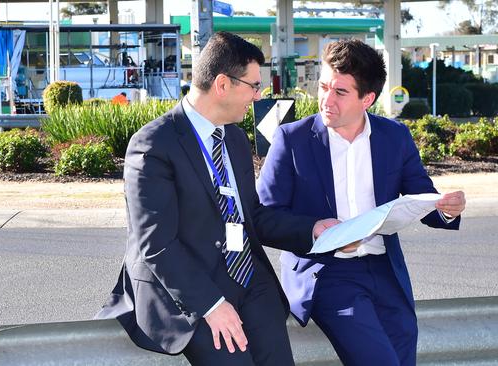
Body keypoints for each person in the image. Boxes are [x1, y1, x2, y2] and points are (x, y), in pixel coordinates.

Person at [96, 31, 338, 366]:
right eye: (254, 86)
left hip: (245, 276)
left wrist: (311, 229)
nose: (259, 95)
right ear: (222, 84)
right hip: (183, 288)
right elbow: (156, 244)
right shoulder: (153, 145)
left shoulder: (235, 139)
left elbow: (251, 215)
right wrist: (211, 304)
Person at [257, 39, 466, 366]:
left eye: (340, 92)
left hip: (385, 271)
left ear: (367, 99)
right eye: (323, 87)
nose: (326, 99)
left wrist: (447, 209)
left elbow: (422, 195)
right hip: (327, 273)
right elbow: (264, 218)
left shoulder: (394, 136)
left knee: (402, 358)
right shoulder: (291, 140)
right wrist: (314, 229)